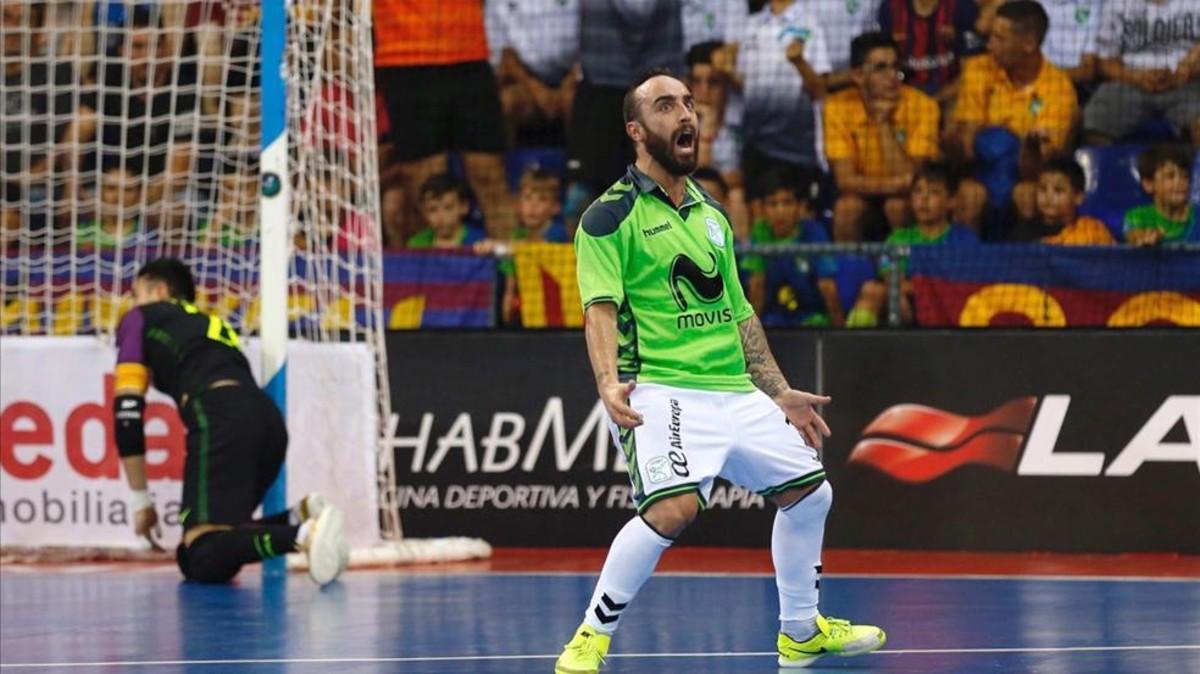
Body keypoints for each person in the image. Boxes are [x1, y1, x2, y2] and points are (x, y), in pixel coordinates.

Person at [554, 71, 885, 674]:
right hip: (661, 386)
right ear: (636, 131)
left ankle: (801, 632)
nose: (685, 114)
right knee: (672, 511)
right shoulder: (608, 217)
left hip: (734, 389)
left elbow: (738, 312)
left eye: (687, 103)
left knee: (812, 494)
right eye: (665, 106)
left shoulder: (711, 214)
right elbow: (597, 310)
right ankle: (590, 638)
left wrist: (779, 391)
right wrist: (608, 381)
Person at [113, 259, 348, 585]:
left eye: (135, 293)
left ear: (159, 291)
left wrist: (141, 501)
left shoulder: (139, 318)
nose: (131, 302)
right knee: (203, 558)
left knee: (203, 552)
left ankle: (304, 533)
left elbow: (126, 414)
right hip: (266, 422)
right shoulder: (206, 323)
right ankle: (298, 516)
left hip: (219, 417)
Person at [373, 0, 514, 240]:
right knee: (425, 189)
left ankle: (512, 268)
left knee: (489, 177)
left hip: (468, 53)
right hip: (405, 58)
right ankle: (429, 273)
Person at [950, 0, 1077, 231]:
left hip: (1026, 177)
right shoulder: (979, 69)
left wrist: (1028, 148)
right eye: (991, 36)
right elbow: (967, 151)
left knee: (1026, 194)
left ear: (1028, 43)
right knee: (969, 193)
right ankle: (967, 263)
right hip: (981, 173)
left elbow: (1040, 169)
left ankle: (1024, 263)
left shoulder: (1058, 86)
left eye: (1000, 39)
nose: (989, 46)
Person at [825, 32, 940, 242]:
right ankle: (851, 273)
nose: (892, 76)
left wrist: (883, 123)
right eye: (881, 68)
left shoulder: (923, 106)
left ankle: (907, 271)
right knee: (846, 208)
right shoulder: (836, 107)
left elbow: (913, 179)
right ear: (858, 76)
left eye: (895, 67)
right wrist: (896, 184)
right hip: (862, 195)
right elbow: (845, 180)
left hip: (904, 198)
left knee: (897, 206)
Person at [847, 162, 978, 327]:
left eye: (934, 193)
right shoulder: (898, 238)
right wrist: (926, 286)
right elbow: (892, 281)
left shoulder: (965, 240)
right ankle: (853, 344)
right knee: (872, 290)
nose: (923, 199)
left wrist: (921, 287)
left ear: (951, 201)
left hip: (947, 310)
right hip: (908, 308)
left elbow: (961, 286)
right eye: (918, 191)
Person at [732, 0, 831, 204]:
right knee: (759, 216)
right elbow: (748, 86)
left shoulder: (810, 24)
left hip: (796, 146)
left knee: (797, 215)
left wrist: (799, 62)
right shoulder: (750, 24)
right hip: (755, 144)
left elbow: (820, 89)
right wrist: (727, 72)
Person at [1084, 0, 1200, 149]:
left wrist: (1190, 70)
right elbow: (1104, 62)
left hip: (1188, 85)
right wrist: (1136, 77)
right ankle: (1102, 171)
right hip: (1130, 83)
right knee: (1094, 121)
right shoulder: (1117, 3)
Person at [741, 171, 842, 327]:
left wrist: (840, 332)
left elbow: (827, 286)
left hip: (812, 320)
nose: (780, 211)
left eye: (787, 202)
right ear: (763, 209)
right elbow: (757, 285)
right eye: (772, 204)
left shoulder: (814, 232)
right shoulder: (760, 232)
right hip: (773, 321)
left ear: (800, 207)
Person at [877, 0, 983, 102]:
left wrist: (937, 99)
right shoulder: (891, 7)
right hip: (905, 94)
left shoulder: (961, 6)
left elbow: (973, 72)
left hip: (951, 91)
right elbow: (882, 67)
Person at [1006, 156, 1115, 244]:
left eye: (1058, 190)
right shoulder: (1023, 233)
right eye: (1043, 189)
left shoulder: (1093, 231)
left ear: (1078, 197)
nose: (1048, 196)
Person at [1123, 144, 1198, 246]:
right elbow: (1134, 236)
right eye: (1170, 176)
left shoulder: (1197, 215)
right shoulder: (1138, 216)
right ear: (1148, 184)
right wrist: (1144, 238)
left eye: (1185, 176)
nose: (1180, 182)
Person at [405, 173, 487, 249]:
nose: (441, 217)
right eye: (432, 210)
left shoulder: (479, 243)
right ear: (424, 212)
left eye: (448, 208)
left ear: (464, 207)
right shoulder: (416, 245)